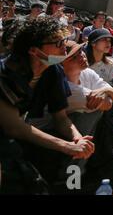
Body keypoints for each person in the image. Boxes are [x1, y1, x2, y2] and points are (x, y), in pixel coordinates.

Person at [0, 17, 95, 191]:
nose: (63, 47)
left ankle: (68, 187)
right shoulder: (6, 74)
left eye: (64, 41)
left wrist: (76, 137)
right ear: (34, 51)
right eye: (58, 43)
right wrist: (66, 146)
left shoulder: (53, 71)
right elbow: (13, 127)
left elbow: (60, 117)